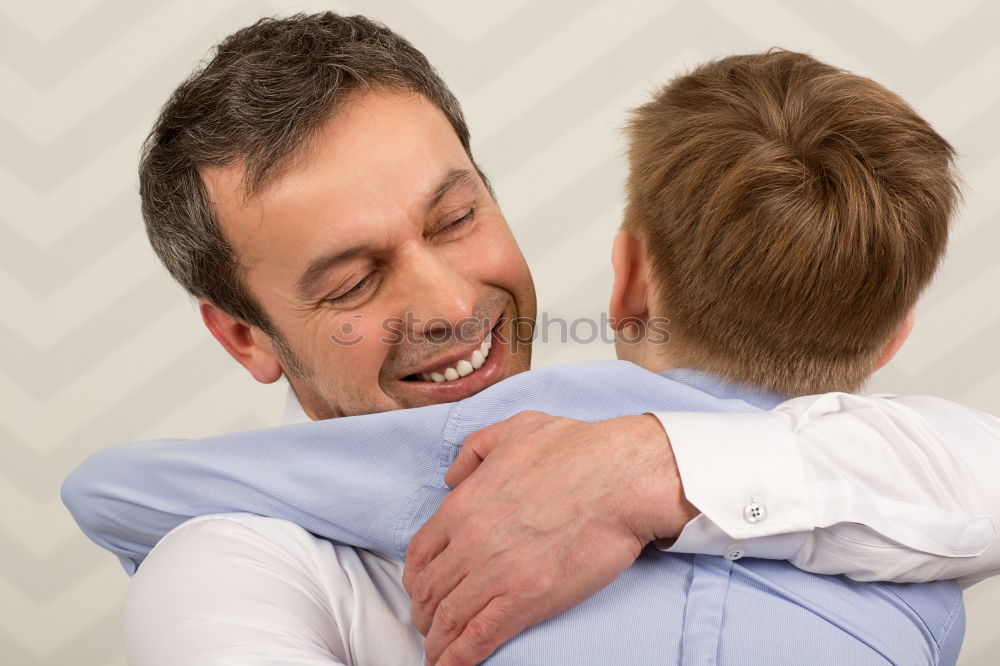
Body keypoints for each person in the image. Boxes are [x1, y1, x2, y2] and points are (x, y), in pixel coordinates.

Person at [62, 13, 1000, 666]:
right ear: (243, 336)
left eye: (456, 217)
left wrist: (649, 469)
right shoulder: (236, 567)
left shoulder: (787, 447)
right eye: (353, 281)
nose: (443, 300)